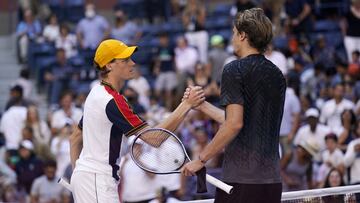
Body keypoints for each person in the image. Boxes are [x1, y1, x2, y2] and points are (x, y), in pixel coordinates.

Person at [69, 39, 204, 203]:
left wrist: (78, 172)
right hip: (97, 180)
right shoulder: (112, 100)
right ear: (109, 65)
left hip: (89, 179)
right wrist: (186, 105)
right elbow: (154, 139)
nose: (132, 63)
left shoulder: (95, 93)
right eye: (125, 60)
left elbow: (75, 137)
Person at [181, 8, 286, 203]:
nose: (232, 38)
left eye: (233, 33)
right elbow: (243, 120)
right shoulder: (278, 75)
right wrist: (202, 106)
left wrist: (201, 160)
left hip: (241, 182)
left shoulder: (233, 69)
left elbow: (234, 124)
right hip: (272, 182)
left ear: (243, 35)